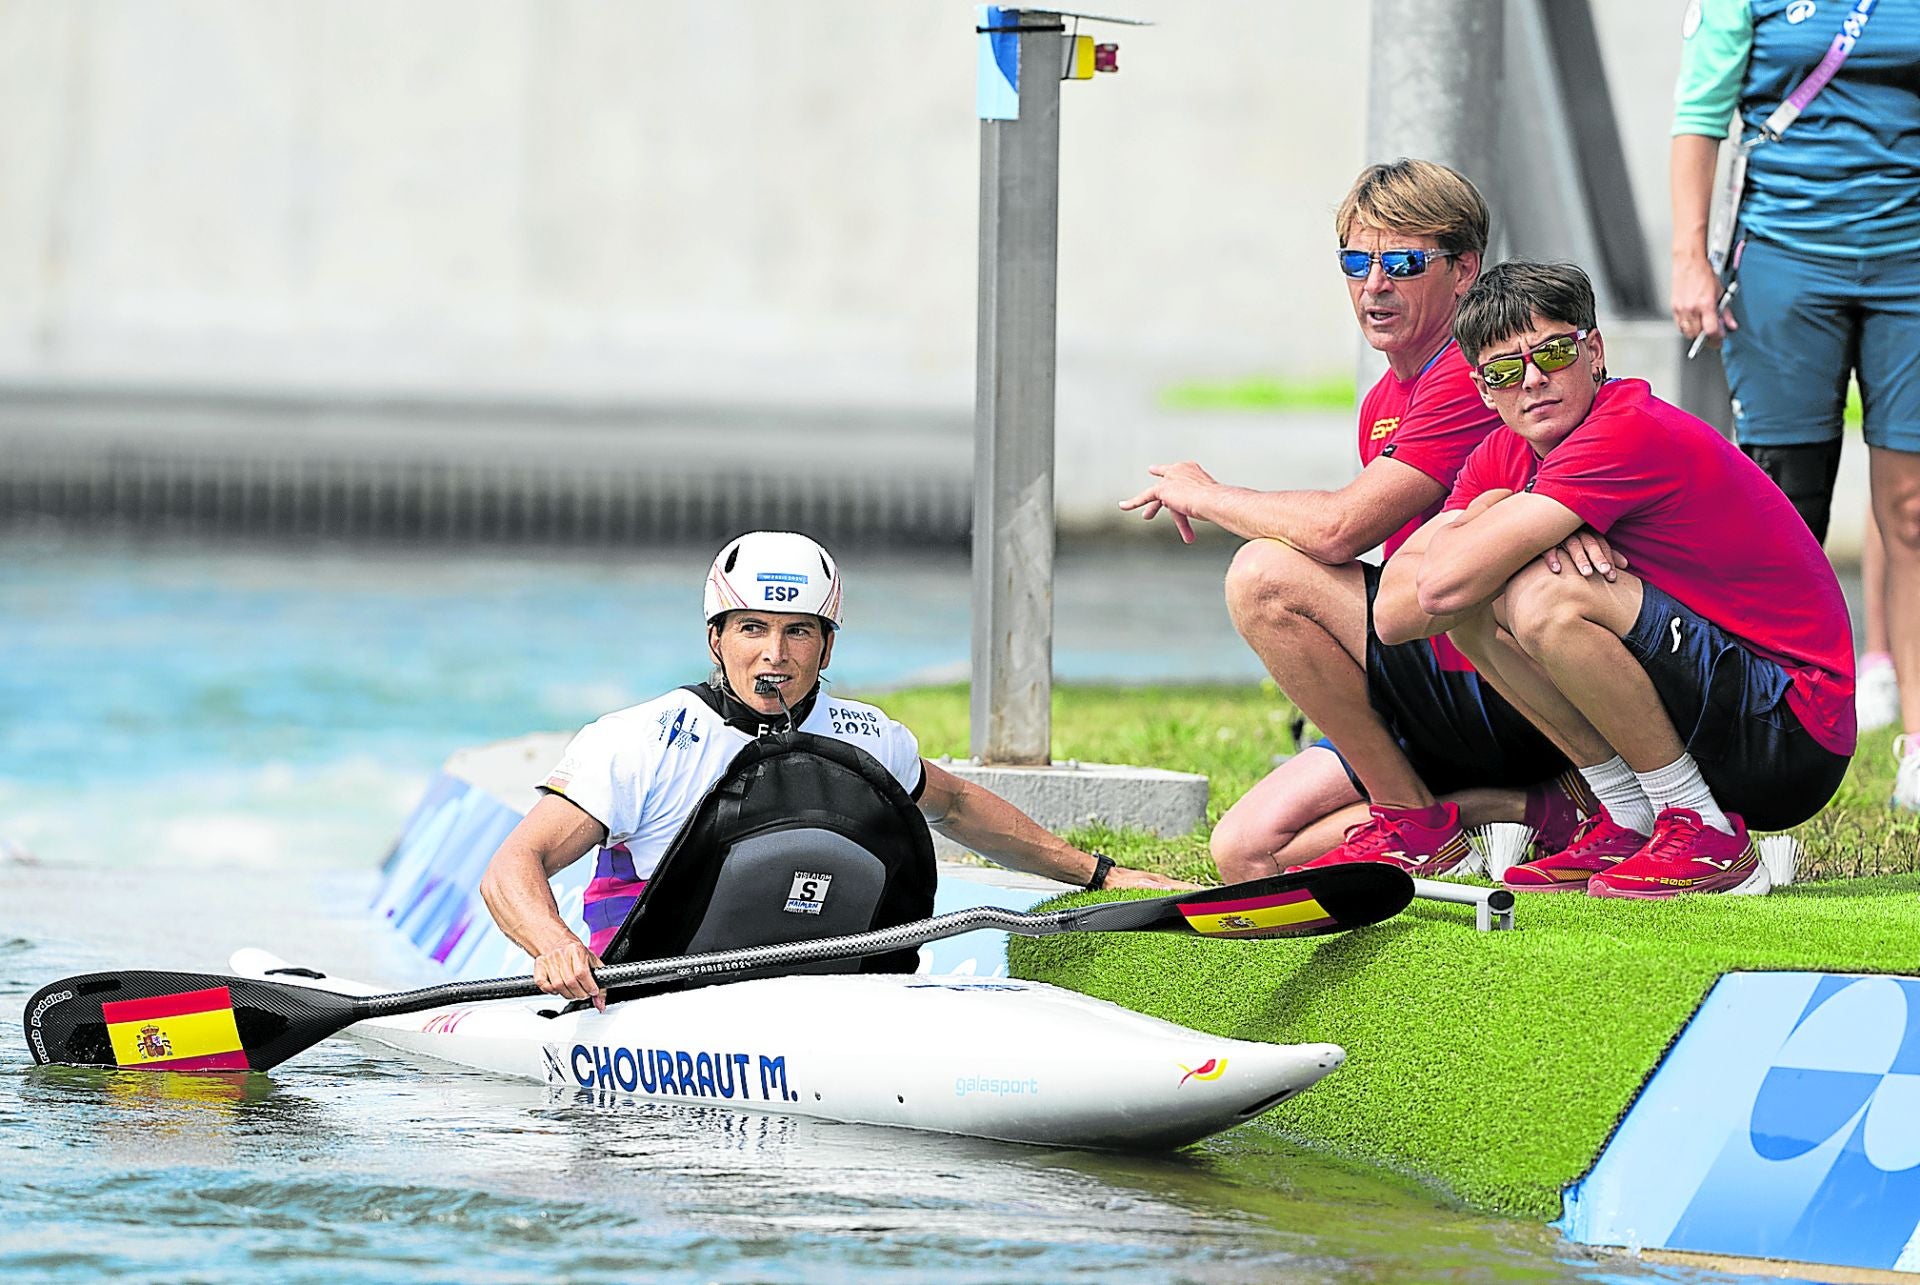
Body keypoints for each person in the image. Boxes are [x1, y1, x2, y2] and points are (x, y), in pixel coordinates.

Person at [480, 530, 1189, 1008]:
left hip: (818, 1000)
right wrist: (554, 946)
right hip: (646, 998)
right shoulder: (639, 740)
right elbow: (514, 864)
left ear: (826, 647)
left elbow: (963, 808)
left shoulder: (867, 735)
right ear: (716, 638)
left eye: (798, 632)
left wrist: (1101, 875)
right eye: (752, 628)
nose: (774, 655)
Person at [1118, 158, 1587, 881]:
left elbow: (1342, 530)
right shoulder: (1384, 399)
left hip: (1501, 680)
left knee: (1264, 575)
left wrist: (1207, 495)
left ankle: (1415, 818)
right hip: (1428, 677)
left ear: (1464, 269)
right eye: (1356, 261)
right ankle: (1512, 809)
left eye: (1401, 261)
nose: (1374, 285)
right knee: (1244, 850)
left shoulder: (1476, 377)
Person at [1377, 261, 1855, 898]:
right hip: (1720, 706)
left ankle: (1703, 831)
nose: (1534, 380)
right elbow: (1396, 611)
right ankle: (1630, 817)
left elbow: (1437, 583)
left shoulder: (1626, 428)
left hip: (1793, 727)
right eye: (1504, 369)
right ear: (1484, 389)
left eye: (1552, 350)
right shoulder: (1504, 454)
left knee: (1542, 593)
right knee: (1477, 602)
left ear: (1594, 351)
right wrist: (1510, 511)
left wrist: (1512, 528)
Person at [1669, 0, 1920, 808]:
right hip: (1784, 262)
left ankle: (1919, 744)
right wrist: (1690, 259)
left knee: (1913, 508)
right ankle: (1766, 758)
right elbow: (1700, 112)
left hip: (1910, 266)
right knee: (1781, 511)